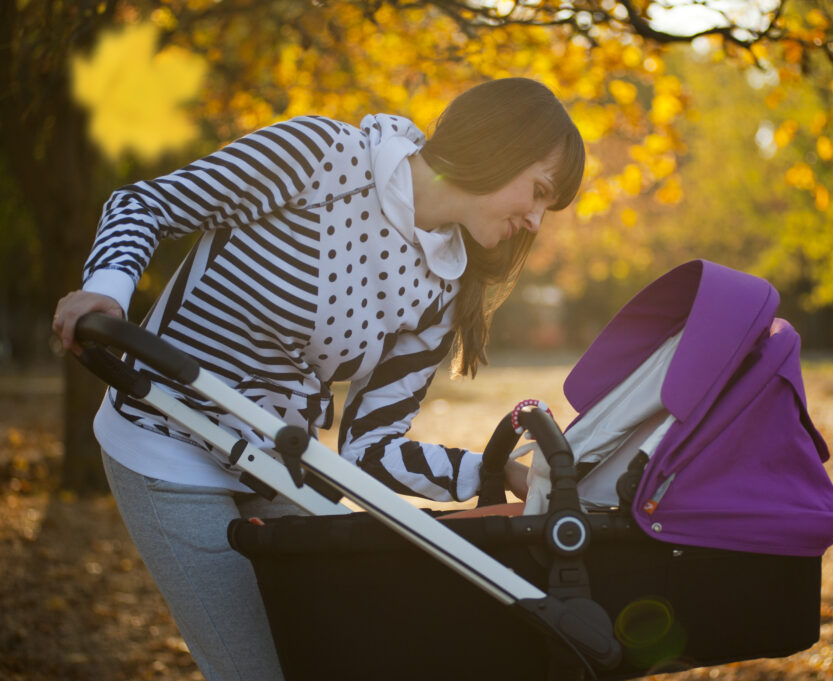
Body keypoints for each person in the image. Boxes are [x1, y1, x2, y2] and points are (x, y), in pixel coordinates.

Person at [51, 77, 585, 681]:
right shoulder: (322, 157)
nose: (538, 222)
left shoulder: (443, 287)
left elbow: (372, 452)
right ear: (499, 146)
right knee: (257, 669)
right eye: (539, 192)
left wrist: (498, 472)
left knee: (332, 656)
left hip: (274, 461)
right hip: (166, 434)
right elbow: (147, 204)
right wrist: (107, 289)